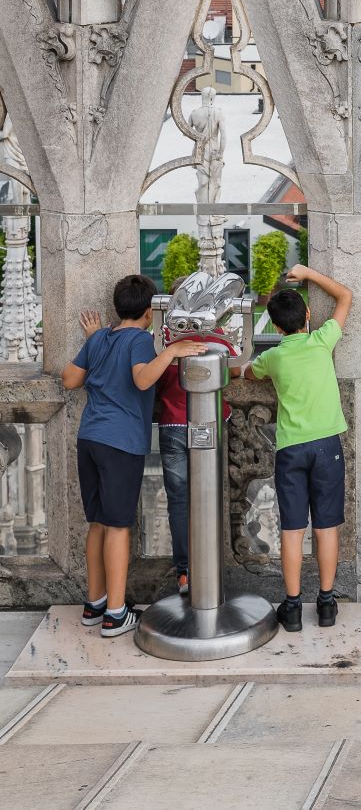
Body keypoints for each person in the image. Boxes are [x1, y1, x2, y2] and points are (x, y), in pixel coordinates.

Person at [61, 273, 206, 639]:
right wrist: (171, 351)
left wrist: (94, 343)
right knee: (119, 526)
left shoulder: (101, 339)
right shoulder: (141, 340)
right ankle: (115, 613)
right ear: (148, 311)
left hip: (89, 438)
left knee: (97, 522)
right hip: (120, 443)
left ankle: (94, 604)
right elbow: (143, 380)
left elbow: (69, 379)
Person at [248, 262, 352, 632]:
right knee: (326, 527)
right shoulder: (322, 339)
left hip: (290, 449)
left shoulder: (273, 358)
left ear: (275, 327)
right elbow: (345, 295)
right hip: (327, 445)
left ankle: (291, 608)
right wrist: (308, 274)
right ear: (308, 316)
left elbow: (245, 371)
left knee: (293, 529)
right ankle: (326, 603)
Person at [155, 315, 237, 598]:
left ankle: (185, 572)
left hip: (171, 424)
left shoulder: (163, 338)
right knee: (210, 496)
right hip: (209, 422)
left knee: (178, 502)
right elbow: (236, 369)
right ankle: (212, 570)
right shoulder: (216, 336)